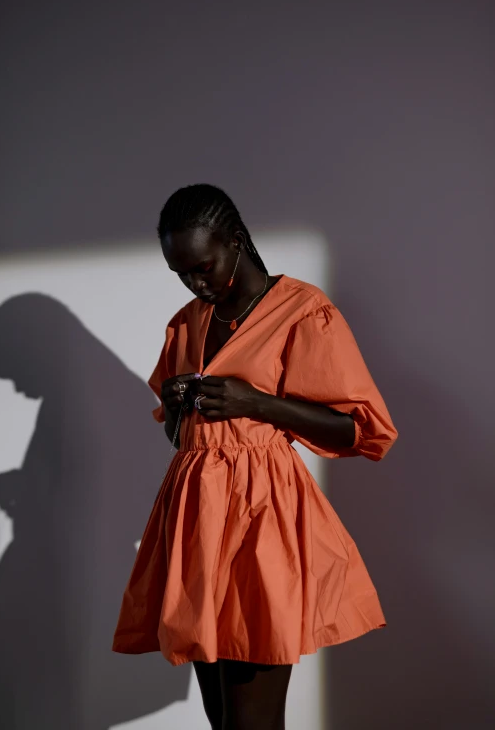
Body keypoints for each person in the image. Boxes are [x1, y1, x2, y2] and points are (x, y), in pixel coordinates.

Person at [112, 184, 398, 730]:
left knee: (252, 722)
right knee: (223, 718)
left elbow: (354, 430)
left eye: (203, 267)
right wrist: (177, 406)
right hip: (194, 526)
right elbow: (182, 439)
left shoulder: (302, 312)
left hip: (259, 523)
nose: (195, 284)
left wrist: (259, 402)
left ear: (236, 242)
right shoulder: (188, 321)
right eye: (181, 274)